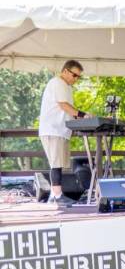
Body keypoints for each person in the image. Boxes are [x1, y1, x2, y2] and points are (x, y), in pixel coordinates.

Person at [39, 60, 90, 205]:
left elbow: (68, 110)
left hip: (61, 131)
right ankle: (56, 196)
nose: (76, 79)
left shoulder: (66, 87)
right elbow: (63, 105)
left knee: (59, 164)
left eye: (78, 77)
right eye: (74, 75)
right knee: (56, 164)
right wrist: (82, 115)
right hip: (53, 130)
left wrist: (81, 117)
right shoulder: (57, 83)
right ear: (65, 71)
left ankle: (54, 196)